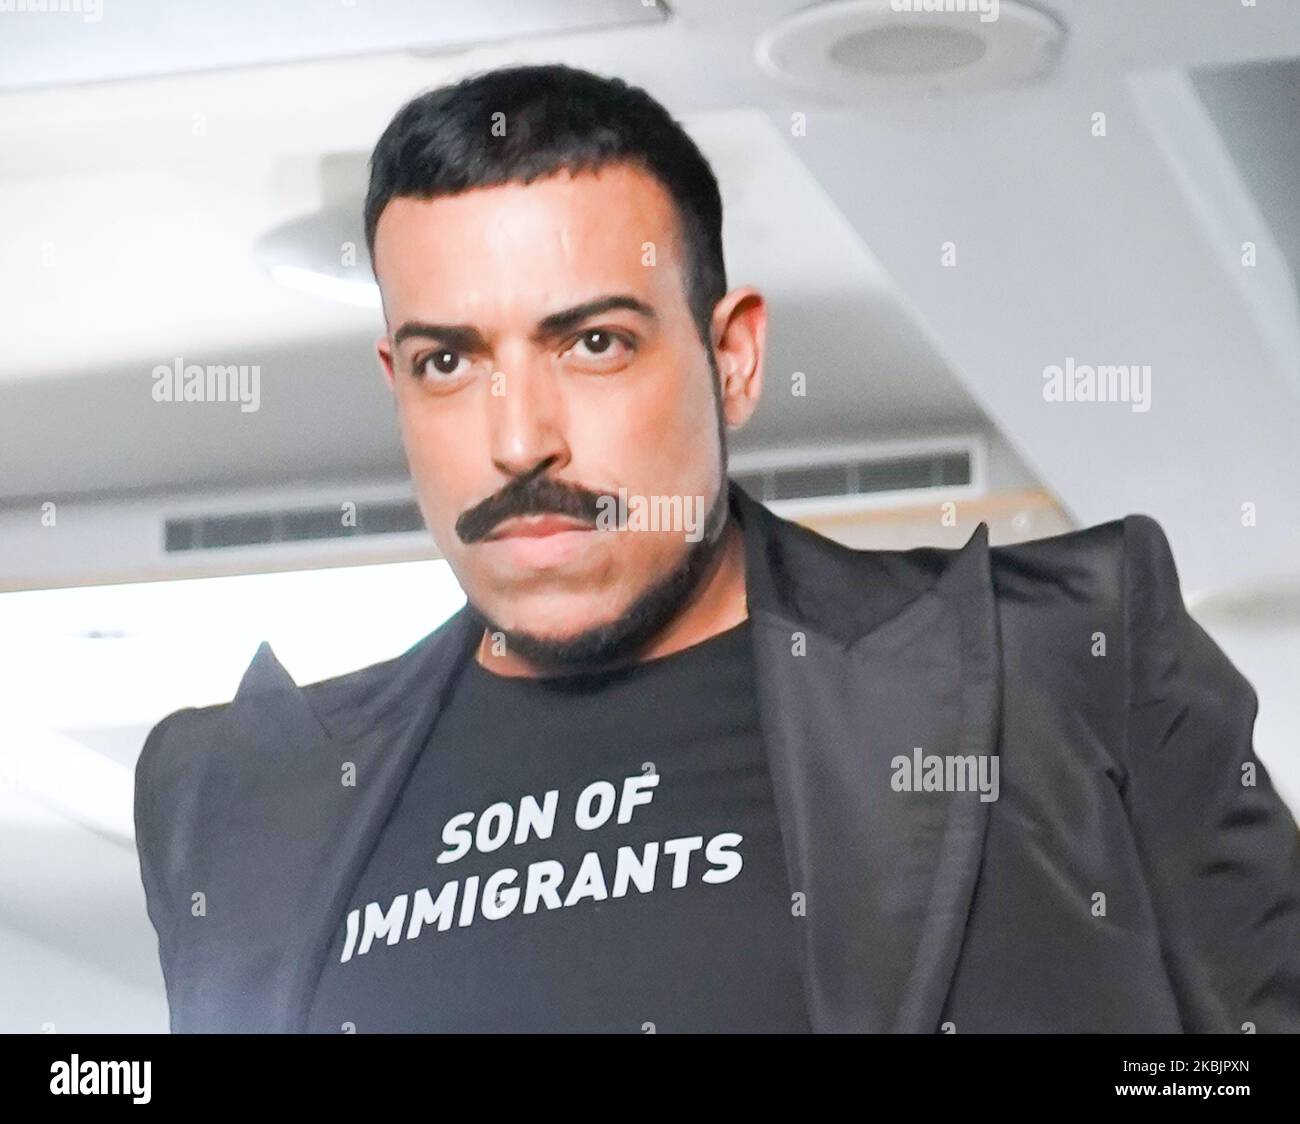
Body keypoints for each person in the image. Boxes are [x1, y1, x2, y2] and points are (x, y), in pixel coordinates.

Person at [134, 63, 1300, 1033]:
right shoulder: (232, 797)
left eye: (592, 342)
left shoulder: (1065, 662)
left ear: (731, 358)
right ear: (396, 381)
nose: (518, 440)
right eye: (450, 361)